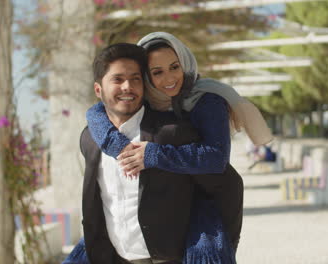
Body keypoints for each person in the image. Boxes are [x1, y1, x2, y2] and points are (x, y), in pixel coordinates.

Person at [82, 32, 272, 262]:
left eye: (175, 66)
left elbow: (217, 159)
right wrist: (114, 141)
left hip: (194, 213)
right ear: (148, 79)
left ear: (185, 62)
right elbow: (97, 111)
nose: (169, 78)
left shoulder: (206, 100)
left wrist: (154, 154)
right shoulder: (150, 100)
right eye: (157, 72)